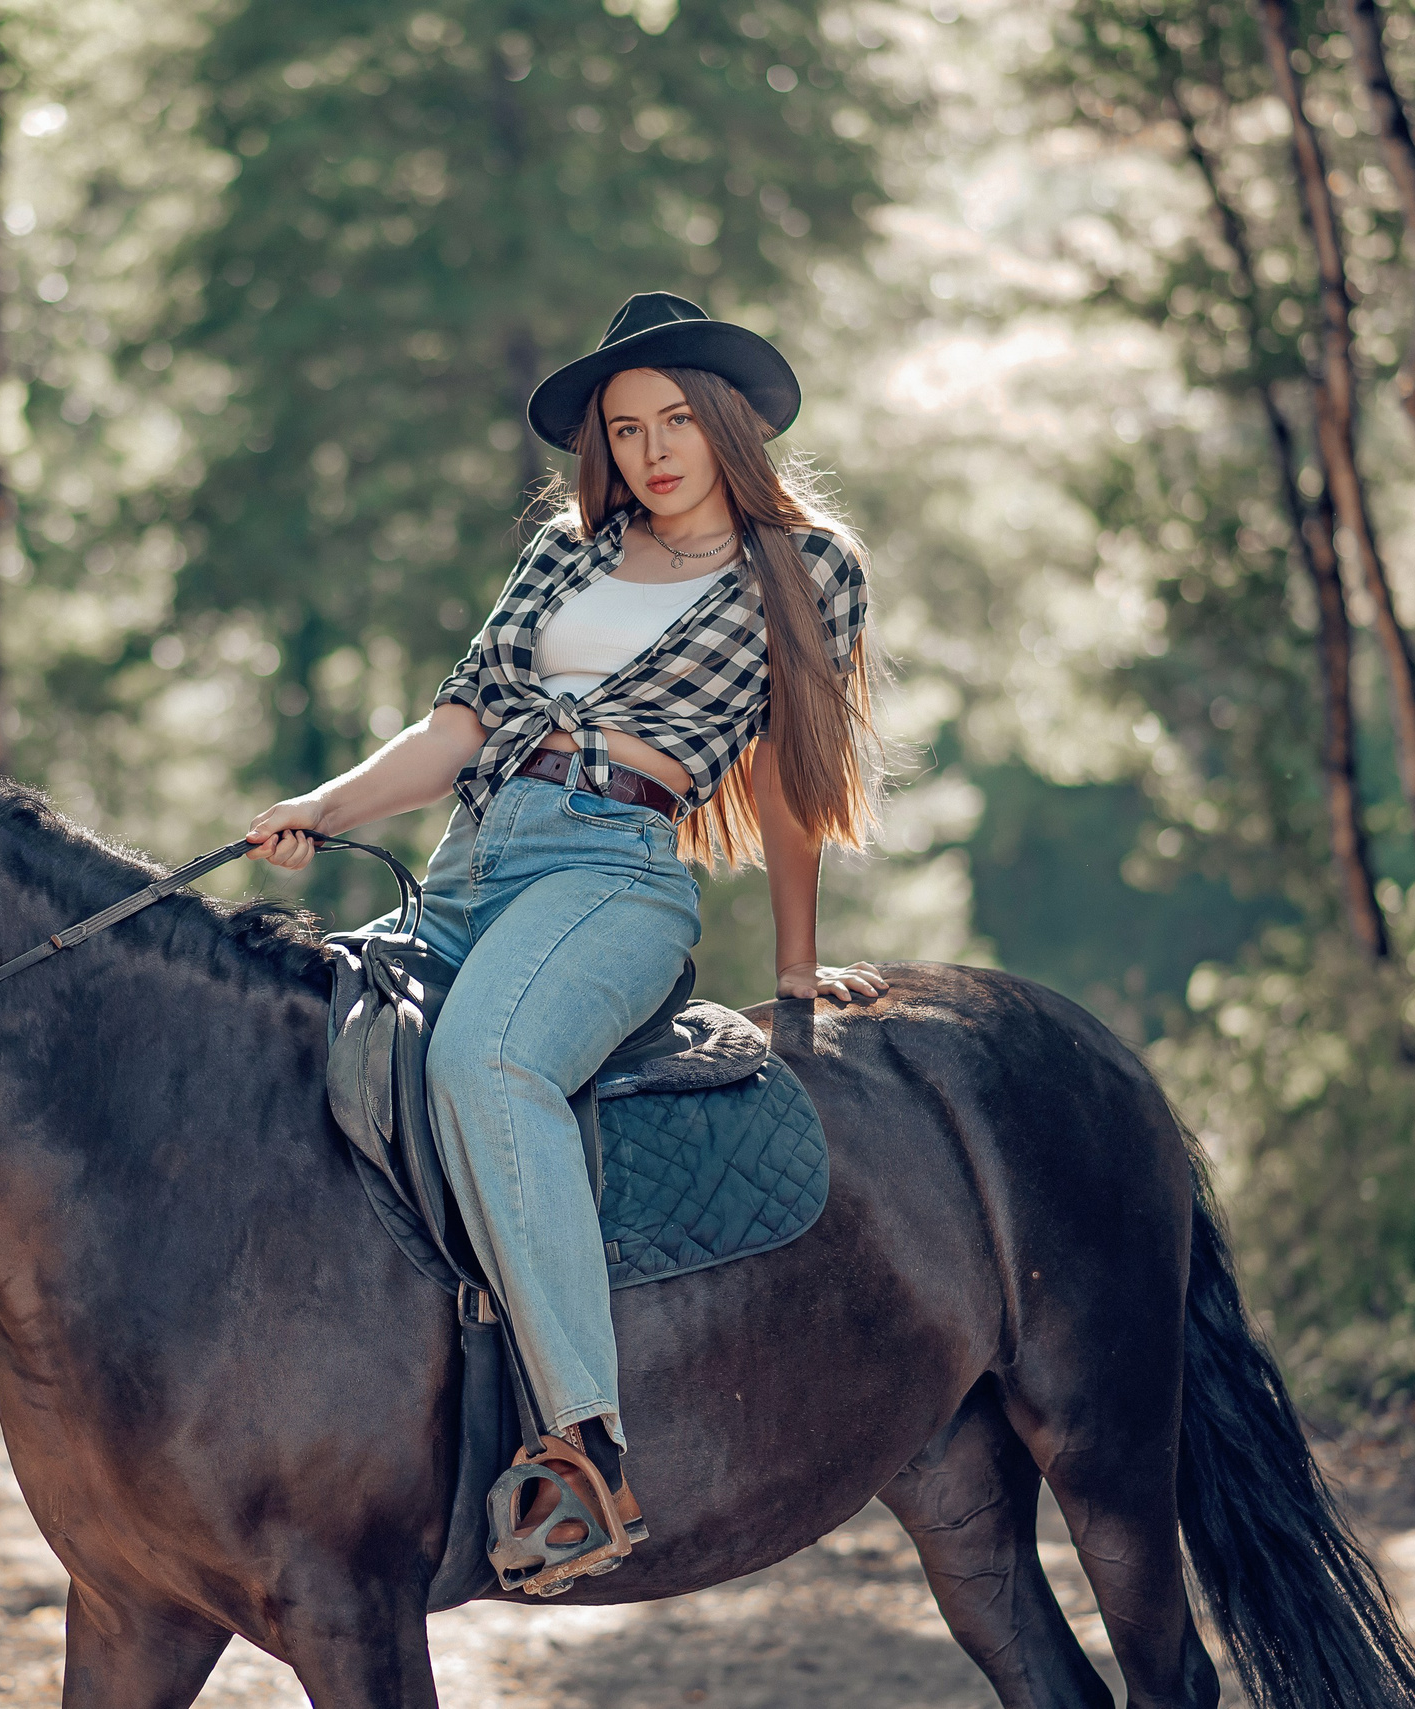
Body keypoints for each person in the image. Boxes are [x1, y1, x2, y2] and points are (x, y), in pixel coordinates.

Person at [246, 291, 887, 1587]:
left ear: (726, 424)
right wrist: (325, 806)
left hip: (614, 871)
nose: (653, 451)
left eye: (675, 422)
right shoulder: (563, 555)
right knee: (298, 1033)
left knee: (486, 1061)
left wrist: (798, 976)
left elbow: (788, 782)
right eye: (625, 427)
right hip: (470, 860)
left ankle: (583, 1449)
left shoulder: (806, 569)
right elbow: (458, 730)